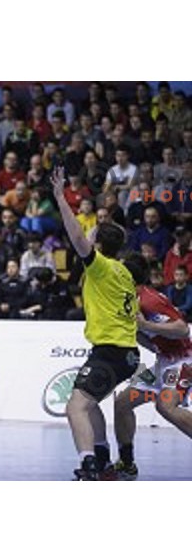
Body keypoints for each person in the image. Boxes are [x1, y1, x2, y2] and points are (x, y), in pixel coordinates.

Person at [51, 166, 140, 480]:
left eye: (94, 235)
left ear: (98, 245)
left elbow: (76, 234)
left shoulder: (101, 267)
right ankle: (102, 457)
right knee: (90, 403)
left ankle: (89, 463)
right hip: (127, 353)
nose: (88, 234)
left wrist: (61, 197)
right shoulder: (124, 271)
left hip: (111, 351)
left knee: (75, 407)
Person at [114, 253, 192, 480]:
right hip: (164, 362)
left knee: (165, 407)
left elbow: (182, 329)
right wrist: (138, 333)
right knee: (122, 403)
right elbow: (149, 337)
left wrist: (145, 324)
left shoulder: (149, 300)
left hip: (183, 360)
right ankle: (127, 463)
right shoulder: (131, 300)